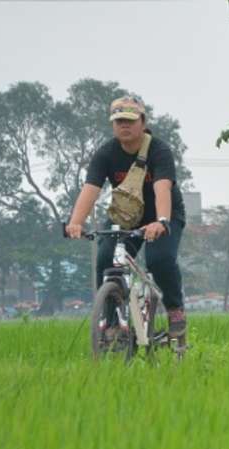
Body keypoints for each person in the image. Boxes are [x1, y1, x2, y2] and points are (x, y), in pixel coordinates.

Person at [65, 96, 188, 342]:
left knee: (159, 259)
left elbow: (162, 188)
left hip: (163, 215)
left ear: (143, 122)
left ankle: (175, 310)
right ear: (113, 125)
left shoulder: (159, 151)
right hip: (126, 216)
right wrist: (75, 222)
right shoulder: (106, 154)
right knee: (105, 257)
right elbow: (90, 189)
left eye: (131, 120)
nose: (125, 126)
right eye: (119, 121)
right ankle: (112, 321)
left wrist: (161, 220)